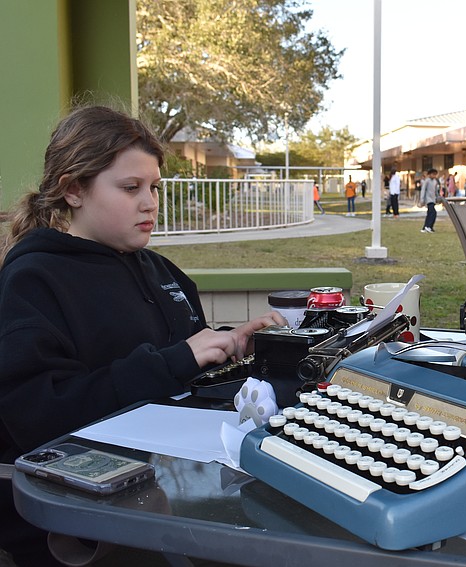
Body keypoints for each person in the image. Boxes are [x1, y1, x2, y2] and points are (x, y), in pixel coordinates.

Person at [0, 106, 284, 566]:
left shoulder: (158, 269)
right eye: (130, 188)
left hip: (172, 480)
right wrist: (175, 361)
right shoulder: (34, 280)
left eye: (154, 187)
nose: (149, 202)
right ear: (73, 189)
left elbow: (186, 356)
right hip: (78, 515)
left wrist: (231, 344)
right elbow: (41, 417)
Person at [419, 168, 439, 233]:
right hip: (428, 199)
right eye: (433, 174)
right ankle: (428, 226)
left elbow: (436, 191)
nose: (434, 176)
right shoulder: (427, 181)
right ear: (429, 174)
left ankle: (426, 227)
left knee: (430, 213)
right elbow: (423, 190)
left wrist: (437, 197)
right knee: (433, 212)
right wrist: (422, 199)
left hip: (433, 199)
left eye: (435, 174)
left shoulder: (435, 181)